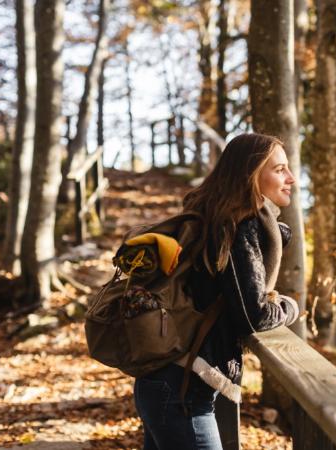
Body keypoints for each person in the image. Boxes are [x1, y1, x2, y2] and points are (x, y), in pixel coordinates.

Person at [133, 133, 301, 450]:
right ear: (251, 174)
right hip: (181, 389)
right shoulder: (236, 225)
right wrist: (290, 307)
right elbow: (254, 315)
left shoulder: (216, 217)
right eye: (280, 169)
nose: (291, 178)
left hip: (167, 382)